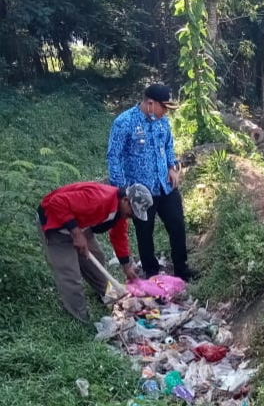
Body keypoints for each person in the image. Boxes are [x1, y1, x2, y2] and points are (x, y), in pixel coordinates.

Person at [107, 84, 197, 281]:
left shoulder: (162, 122)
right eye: (163, 107)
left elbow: (168, 145)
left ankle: (181, 268)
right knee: (144, 232)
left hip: (165, 185)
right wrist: (122, 190)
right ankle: (152, 272)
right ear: (150, 103)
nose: (165, 112)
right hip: (139, 190)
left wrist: (173, 167)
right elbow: (114, 157)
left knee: (177, 225)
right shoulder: (124, 122)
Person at [38, 182, 153, 322]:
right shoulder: (99, 199)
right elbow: (57, 202)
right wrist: (76, 233)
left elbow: (119, 236)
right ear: (125, 200)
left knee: (97, 258)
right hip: (56, 224)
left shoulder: (119, 212)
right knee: (71, 275)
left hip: (81, 224)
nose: (131, 216)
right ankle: (80, 318)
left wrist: (126, 267)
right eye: (132, 212)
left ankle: (109, 296)